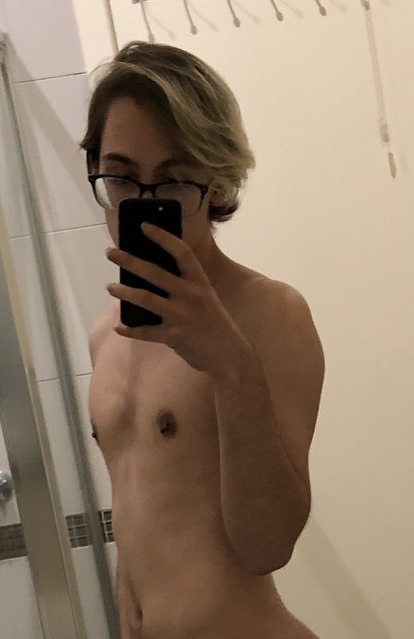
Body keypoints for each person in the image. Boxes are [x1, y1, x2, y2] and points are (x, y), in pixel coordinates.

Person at [81, 41, 325, 639]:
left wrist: (230, 364)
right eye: (121, 177)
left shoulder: (271, 315)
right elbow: (140, 526)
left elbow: (268, 546)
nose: (143, 203)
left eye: (172, 180)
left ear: (215, 183)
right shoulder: (106, 336)